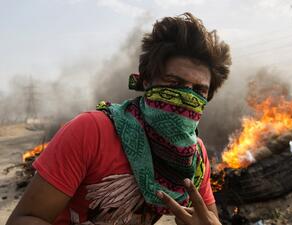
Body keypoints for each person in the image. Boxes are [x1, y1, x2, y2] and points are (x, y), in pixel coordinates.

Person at [6, 12, 231, 225]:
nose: (187, 98)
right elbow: (24, 219)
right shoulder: (92, 131)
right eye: (174, 83)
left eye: (199, 91)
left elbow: (208, 219)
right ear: (146, 82)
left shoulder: (195, 158)